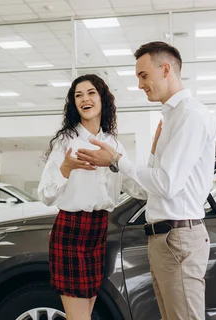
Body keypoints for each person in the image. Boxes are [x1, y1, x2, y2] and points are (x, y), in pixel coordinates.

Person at [77, 41, 216, 320]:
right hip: (164, 239)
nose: (140, 85)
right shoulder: (172, 117)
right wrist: (113, 167)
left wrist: (117, 159)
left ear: (165, 69)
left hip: (178, 238)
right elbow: (150, 189)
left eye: (143, 75)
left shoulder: (189, 115)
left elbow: (166, 183)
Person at [38, 74, 145, 320]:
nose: (85, 99)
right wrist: (66, 168)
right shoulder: (66, 141)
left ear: (102, 98)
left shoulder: (113, 144)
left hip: (98, 231)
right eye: (78, 95)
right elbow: (45, 194)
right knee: (79, 318)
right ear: (74, 104)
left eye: (90, 93)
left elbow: (136, 188)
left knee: (87, 314)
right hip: (70, 230)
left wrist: (154, 166)